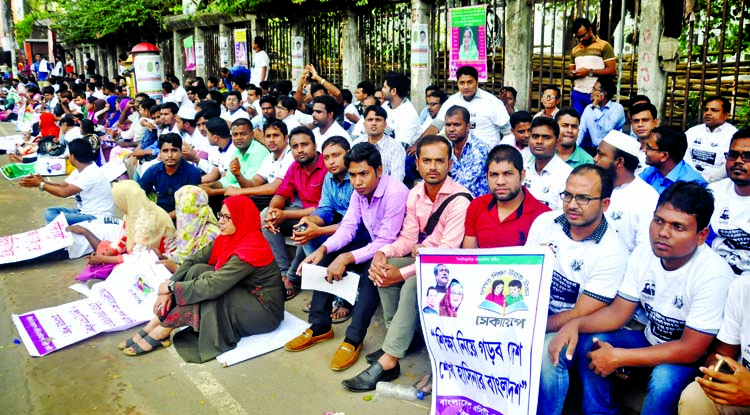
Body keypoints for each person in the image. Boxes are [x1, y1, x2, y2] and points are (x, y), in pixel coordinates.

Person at [546, 181, 733, 415]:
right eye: (659, 221)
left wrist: (620, 357)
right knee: (590, 342)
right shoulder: (645, 252)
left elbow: (691, 349)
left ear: (701, 235)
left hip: (692, 360)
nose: (663, 233)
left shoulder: (714, 273)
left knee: (664, 379)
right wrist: (575, 324)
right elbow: (618, 312)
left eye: (678, 227)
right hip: (649, 340)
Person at [341, 135, 471, 392]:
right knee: (381, 267)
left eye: (439, 161)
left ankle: (389, 359)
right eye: (426, 160)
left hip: (452, 266)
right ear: (417, 163)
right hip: (423, 255)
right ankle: (399, 337)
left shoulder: (460, 200)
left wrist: (401, 274)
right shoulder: (415, 194)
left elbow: (446, 253)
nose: (433, 166)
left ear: (450, 165)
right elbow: (408, 237)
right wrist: (384, 253)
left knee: (412, 281)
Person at [286, 143, 409, 372]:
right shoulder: (359, 193)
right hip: (376, 244)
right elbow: (348, 227)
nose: (357, 181)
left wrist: (348, 257)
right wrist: (323, 250)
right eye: (352, 175)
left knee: (373, 270)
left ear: (378, 171)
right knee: (326, 255)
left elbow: (386, 241)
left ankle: (354, 338)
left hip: (398, 251)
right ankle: (320, 325)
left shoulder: (395, 192)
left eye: (363, 174)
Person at [118, 196, 284, 362]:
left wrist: (171, 288)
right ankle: (157, 322)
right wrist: (168, 287)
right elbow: (193, 260)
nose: (221, 221)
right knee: (198, 270)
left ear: (242, 218)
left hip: (263, 310)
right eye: (221, 215)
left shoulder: (251, 248)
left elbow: (213, 286)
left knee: (210, 287)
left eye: (228, 217)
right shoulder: (226, 239)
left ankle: (164, 329)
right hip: (242, 295)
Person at [262, 126, 328, 283]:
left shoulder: (326, 166)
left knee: (304, 225)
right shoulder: (295, 167)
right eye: (295, 146)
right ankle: (282, 271)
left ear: (315, 146)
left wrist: (284, 214)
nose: (300, 150)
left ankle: (293, 278)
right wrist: (274, 211)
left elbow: (322, 209)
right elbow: (281, 193)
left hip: (323, 217)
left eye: (304, 144)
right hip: (302, 213)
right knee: (265, 215)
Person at [678, 275, 750, 415]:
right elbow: (723, 353)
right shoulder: (744, 287)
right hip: (742, 388)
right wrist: (714, 370)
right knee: (697, 396)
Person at [463, 145, 550, 248]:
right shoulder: (477, 206)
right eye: (494, 175)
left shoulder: (543, 215)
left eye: (508, 174)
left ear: (522, 175)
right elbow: (469, 256)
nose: (500, 182)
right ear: (486, 177)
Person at [19, 137, 115, 225]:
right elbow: (63, 185)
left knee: (51, 216)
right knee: (51, 211)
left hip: (96, 217)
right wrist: (42, 181)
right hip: (83, 212)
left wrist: (41, 184)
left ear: (72, 157)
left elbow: (65, 192)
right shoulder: (82, 169)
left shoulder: (91, 173)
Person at [594, 130, 659, 252]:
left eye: (600, 155)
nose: (595, 159)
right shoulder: (594, 186)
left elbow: (644, 250)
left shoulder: (647, 198)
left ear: (619, 162)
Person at [421, 65, 510, 149]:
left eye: (469, 82)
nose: (466, 87)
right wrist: (419, 144)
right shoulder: (452, 101)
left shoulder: (492, 102)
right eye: (462, 83)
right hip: (457, 154)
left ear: (477, 82)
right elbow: (436, 126)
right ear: (457, 84)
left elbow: (508, 131)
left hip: (487, 154)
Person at [223, 119, 294, 211]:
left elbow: (274, 187)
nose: (271, 140)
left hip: (288, 202)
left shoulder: (291, 155)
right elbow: (252, 184)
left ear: (286, 138)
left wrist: (239, 192)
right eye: (268, 136)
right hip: (273, 199)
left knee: (238, 201)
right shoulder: (269, 158)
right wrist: (238, 175)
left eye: (276, 135)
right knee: (232, 200)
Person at [707, 127, 750, 275]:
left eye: (747, 156)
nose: (738, 161)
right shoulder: (713, 192)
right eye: (733, 155)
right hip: (714, 277)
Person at [138, 133, 203, 217]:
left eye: (174, 150)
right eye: (165, 151)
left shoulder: (192, 173)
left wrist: (165, 218)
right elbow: (140, 194)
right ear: (160, 153)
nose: (169, 155)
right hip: (158, 215)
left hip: (185, 217)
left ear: (180, 152)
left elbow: (192, 206)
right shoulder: (153, 171)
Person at [161, 185, 221, 273]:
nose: (182, 216)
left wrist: (176, 268)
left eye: (185, 210)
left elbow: (200, 271)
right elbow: (183, 253)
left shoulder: (211, 235)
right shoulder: (188, 228)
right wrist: (166, 257)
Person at [568, 17, 617, 116]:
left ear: (590, 30)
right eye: (578, 37)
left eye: (583, 35)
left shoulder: (604, 46)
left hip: (596, 94)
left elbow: (612, 71)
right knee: (578, 125)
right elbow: (570, 73)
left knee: (595, 123)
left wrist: (588, 72)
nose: (581, 39)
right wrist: (574, 74)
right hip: (578, 93)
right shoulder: (575, 50)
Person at [523, 116, 573, 210]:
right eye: (535, 136)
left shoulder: (568, 175)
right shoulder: (522, 170)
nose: (539, 141)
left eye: (546, 137)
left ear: (557, 142)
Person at [685, 95, 739, 182]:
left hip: (718, 184)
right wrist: (693, 176)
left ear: (726, 115)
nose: (708, 113)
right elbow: (683, 155)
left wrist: (705, 180)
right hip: (688, 179)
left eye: (714, 110)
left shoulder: (734, 135)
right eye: (706, 110)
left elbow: (728, 165)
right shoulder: (693, 132)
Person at [640, 126, 707, 194]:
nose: (645, 150)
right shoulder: (652, 170)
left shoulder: (691, 185)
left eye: (648, 147)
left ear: (664, 156)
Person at [445, 106, 490, 197]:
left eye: (457, 125)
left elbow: (464, 185)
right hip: (452, 200)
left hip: (477, 204)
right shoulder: (446, 147)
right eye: (448, 125)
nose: (451, 129)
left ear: (468, 127)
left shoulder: (479, 149)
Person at [353, 105, 406, 181]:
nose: (373, 123)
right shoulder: (356, 144)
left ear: (385, 125)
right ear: (364, 124)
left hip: (387, 191)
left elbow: (397, 179)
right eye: (370, 120)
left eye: (378, 120)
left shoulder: (396, 147)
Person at [578, 77, 625, 153]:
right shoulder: (589, 108)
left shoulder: (617, 108)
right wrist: (573, 148)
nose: (591, 92)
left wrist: (596, 108)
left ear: (603, 93)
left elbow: (607, 128)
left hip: (612, 151)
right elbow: (581, 130)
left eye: (594, 89)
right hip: (593, 149)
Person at [381, 72, 421, 149]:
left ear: (393, 91)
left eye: (384, 87)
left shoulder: (409, 113)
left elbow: (400, 146)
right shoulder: (385, 106)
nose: (382, 90)